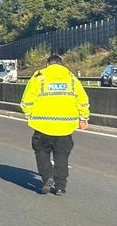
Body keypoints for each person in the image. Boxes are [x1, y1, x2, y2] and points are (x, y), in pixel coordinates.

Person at [20, 54, 90, 196]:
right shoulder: (71, 78)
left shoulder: (38, 77)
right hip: (65, 126)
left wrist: (28, 115)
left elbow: (27, 100)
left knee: (41, 152)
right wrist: (84, 117)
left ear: (47, 64)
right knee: (62, 156)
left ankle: (47, 178)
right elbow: (82, 99)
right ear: (61, 64)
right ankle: (60, 187)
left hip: (42, 125)